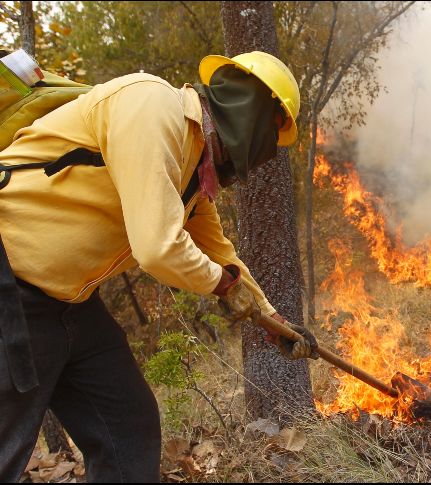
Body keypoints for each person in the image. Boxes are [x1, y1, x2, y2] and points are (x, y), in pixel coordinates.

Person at [0, 51, 318, 482]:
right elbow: (157, 248)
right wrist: (224, 287)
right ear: (252, 113)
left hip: (70, 304)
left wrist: (274, 319)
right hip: (9, 287)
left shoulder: (192, 167)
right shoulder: (152, 106)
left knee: (129, 428)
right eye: (270, 134)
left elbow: (219, 252)